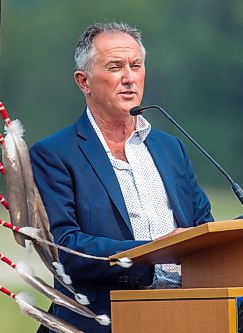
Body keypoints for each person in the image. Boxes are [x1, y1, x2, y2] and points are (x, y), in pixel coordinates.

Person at [30, 22, 213, 332]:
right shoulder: (54, 154)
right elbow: (65, 249)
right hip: (102, 321)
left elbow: (203, 230)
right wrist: (150, 253)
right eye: (115, 67)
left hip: (184, 317)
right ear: (83, 81)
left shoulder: (171, 148)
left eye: (136, 66)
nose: (129, 78)